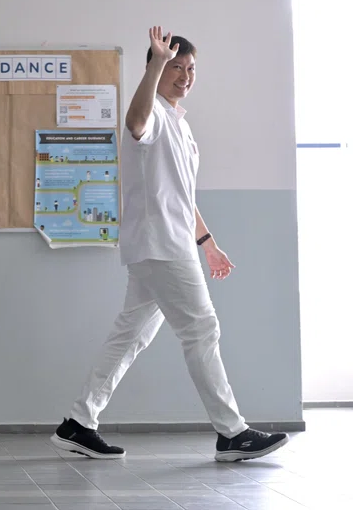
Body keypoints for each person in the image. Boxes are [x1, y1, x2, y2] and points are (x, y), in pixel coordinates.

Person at [50, 27, 289, 463]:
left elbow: (182, 195)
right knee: (201, 329)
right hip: (161, 246)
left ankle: (78, 423)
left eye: (190, 68)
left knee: (129, 336)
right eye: (175, 66)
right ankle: (232, 433)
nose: (185, 75)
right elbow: (135, 121)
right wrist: (156, 63)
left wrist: (208, 242)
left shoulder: (181, 124)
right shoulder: (154, 114)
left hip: (167, 244)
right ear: (156, 68)